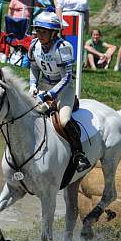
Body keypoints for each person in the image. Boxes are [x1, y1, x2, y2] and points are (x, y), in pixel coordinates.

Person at [27, 11, 91, 172]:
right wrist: (33, 86)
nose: (40, 35)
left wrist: (51, 95)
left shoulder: (63, 48)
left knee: (63, 120)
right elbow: (34, 68)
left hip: (63, 89)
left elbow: (67, 77)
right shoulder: (34, 45)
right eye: (38, 31)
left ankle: (79, 155)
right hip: (44, 85)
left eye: (44, 32)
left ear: (53, 33)